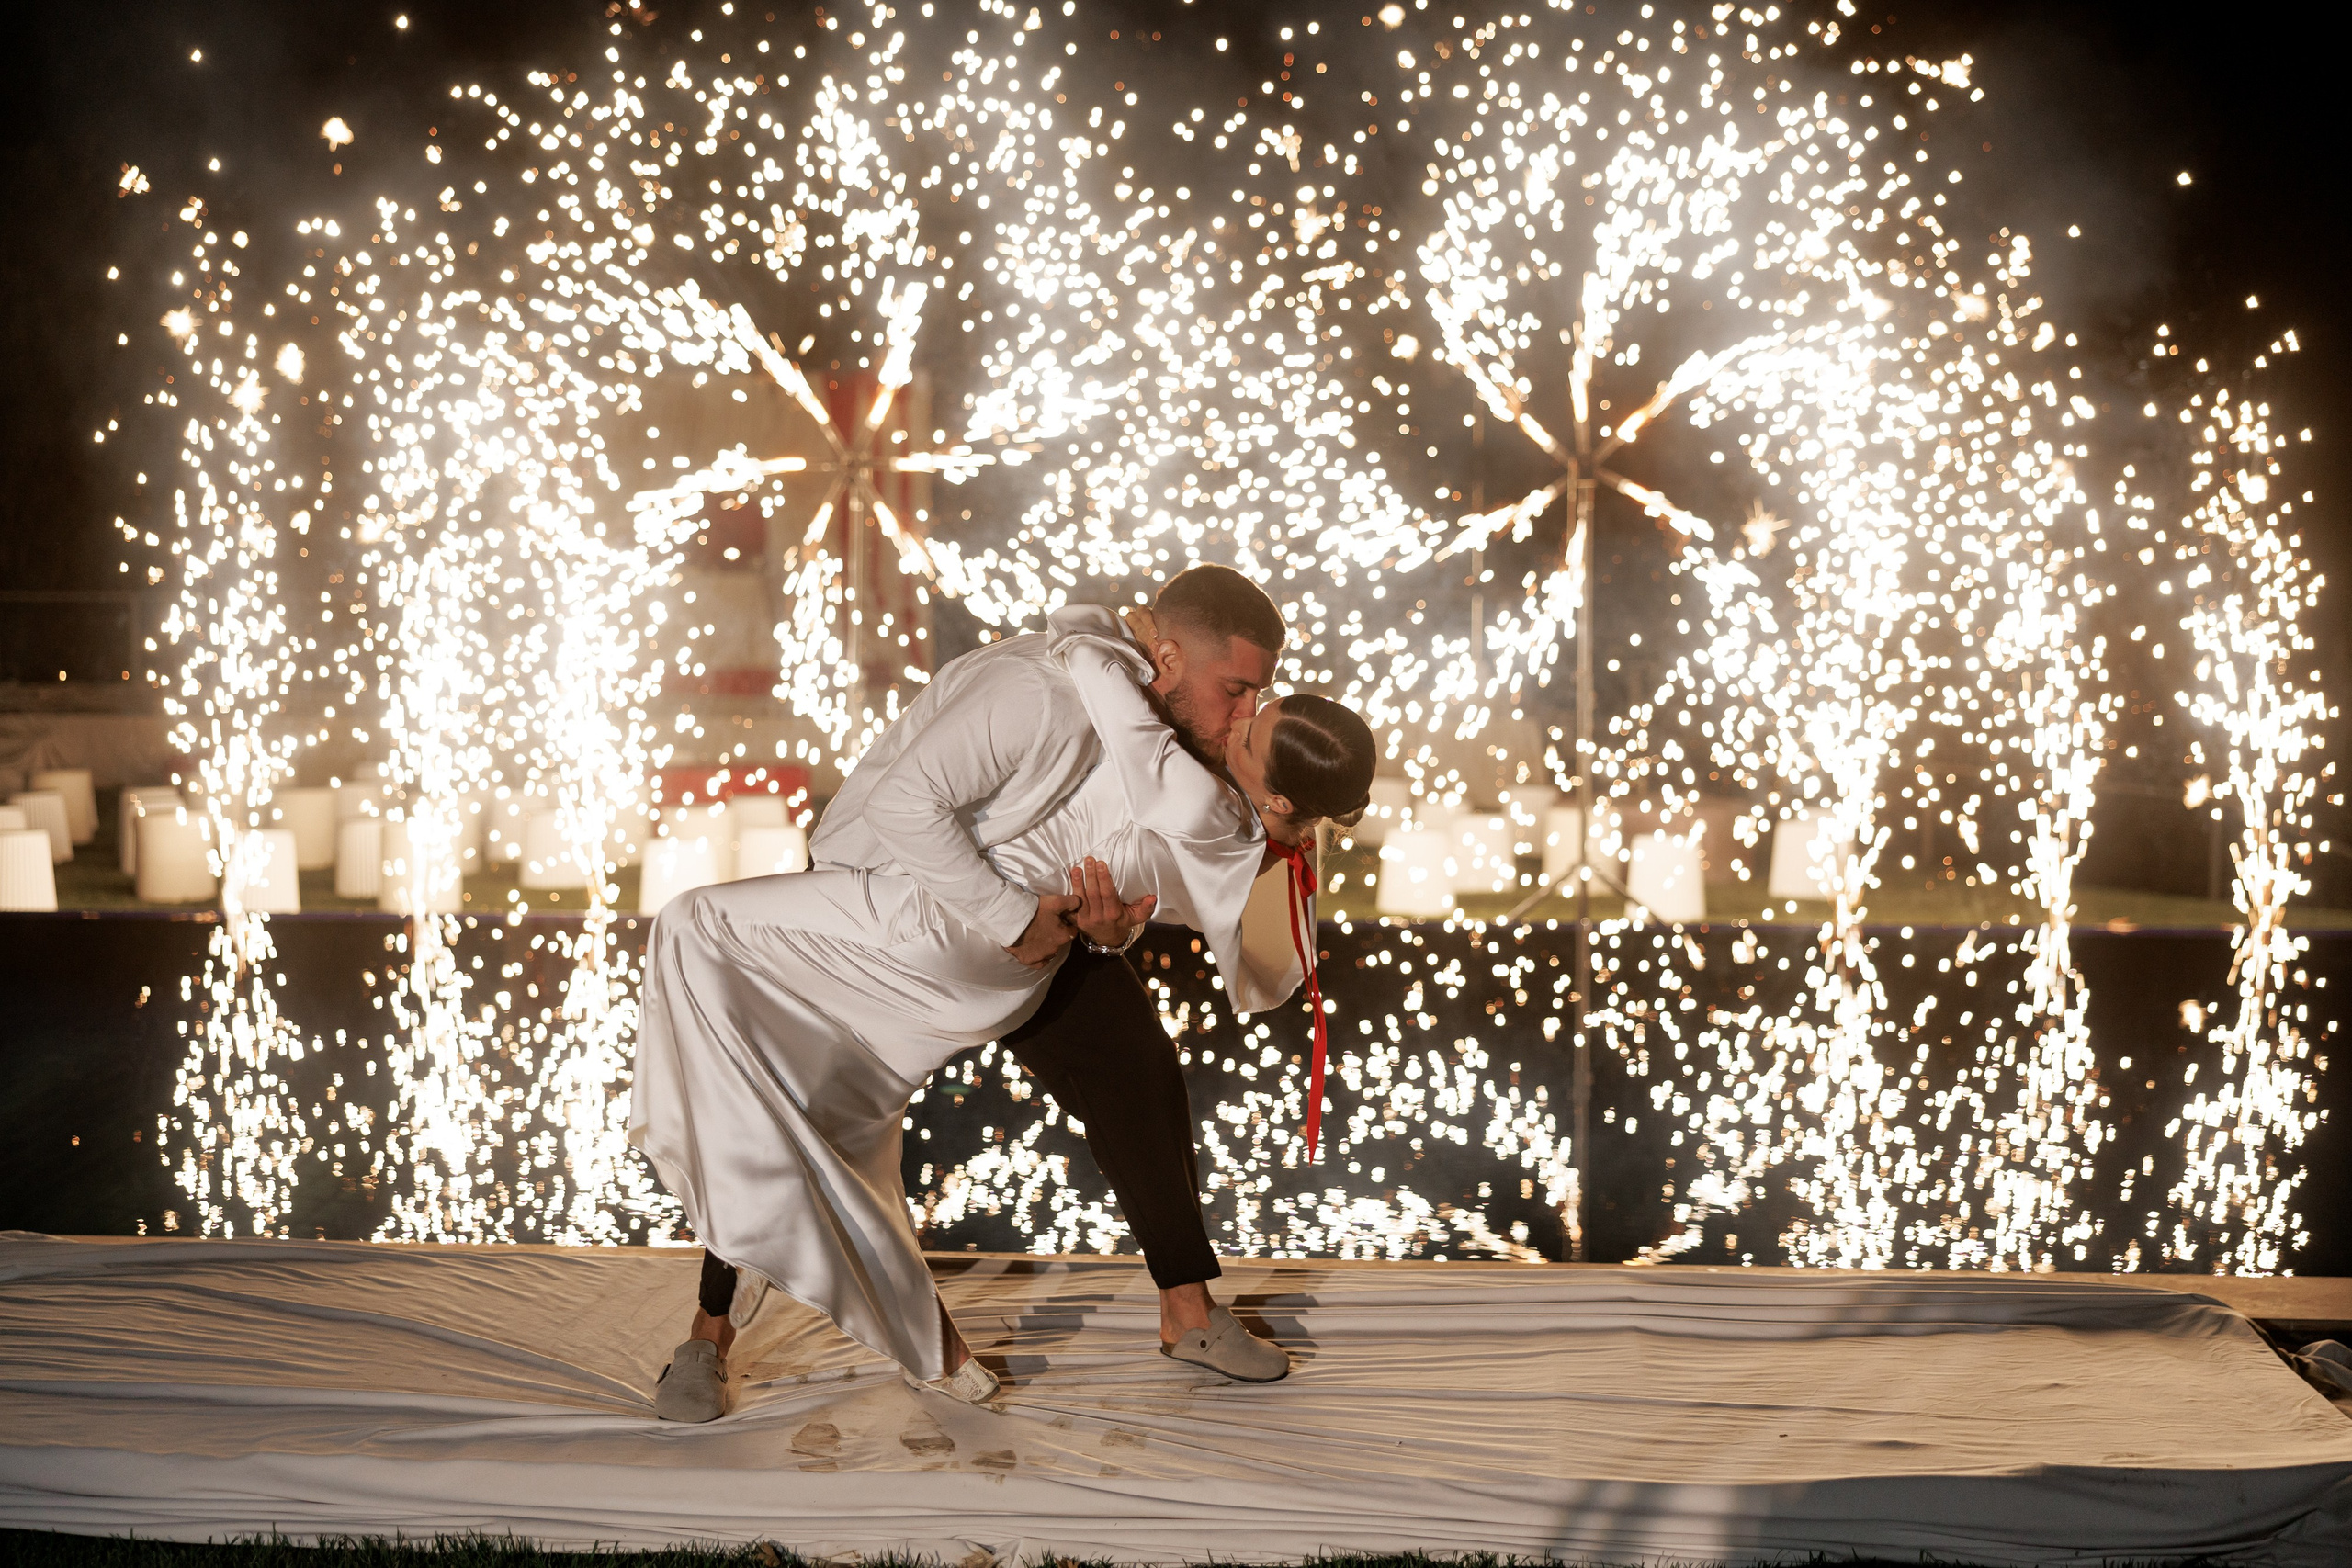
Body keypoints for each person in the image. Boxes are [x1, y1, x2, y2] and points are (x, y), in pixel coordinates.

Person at [629, 568, 1377, 1416]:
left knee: (1136, 1066)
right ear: (1167, 656)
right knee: (788, 1091)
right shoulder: (1042, 689)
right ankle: (707, 1332)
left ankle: (1188, 1313)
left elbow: (1132, 866)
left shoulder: (1166, 740)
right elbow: (908, 808)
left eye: (1259, 696)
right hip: (890, 905)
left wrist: (1111, 930)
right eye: (1236, 689)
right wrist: (1015, 916)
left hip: (1028, 930)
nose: (1244, 713)